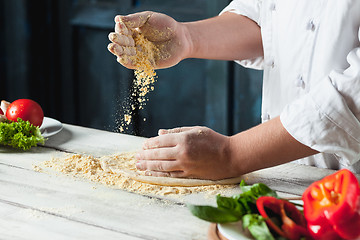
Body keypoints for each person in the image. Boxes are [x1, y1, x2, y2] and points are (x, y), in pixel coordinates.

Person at [107, 0, 360, 180]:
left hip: (352, 182)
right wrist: (186, 37)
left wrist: (230, 154)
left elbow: (354, 92)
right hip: (288, 176)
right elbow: (267, 21)